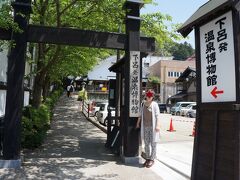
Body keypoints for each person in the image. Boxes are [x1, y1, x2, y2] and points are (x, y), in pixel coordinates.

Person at [136, 89, 161, 168]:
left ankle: (152, 159)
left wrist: (157, 125)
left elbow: (157, 116)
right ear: (146, 95)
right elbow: (140, 115)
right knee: (146, 143)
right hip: (145, 127)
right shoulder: (143, 104)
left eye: (150, 96)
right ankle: (147, 158)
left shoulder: (155, 104)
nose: (149, 97)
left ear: (153, 96)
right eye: (148, 95)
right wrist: (137, 123)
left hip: (153, 127)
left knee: (153, 143)